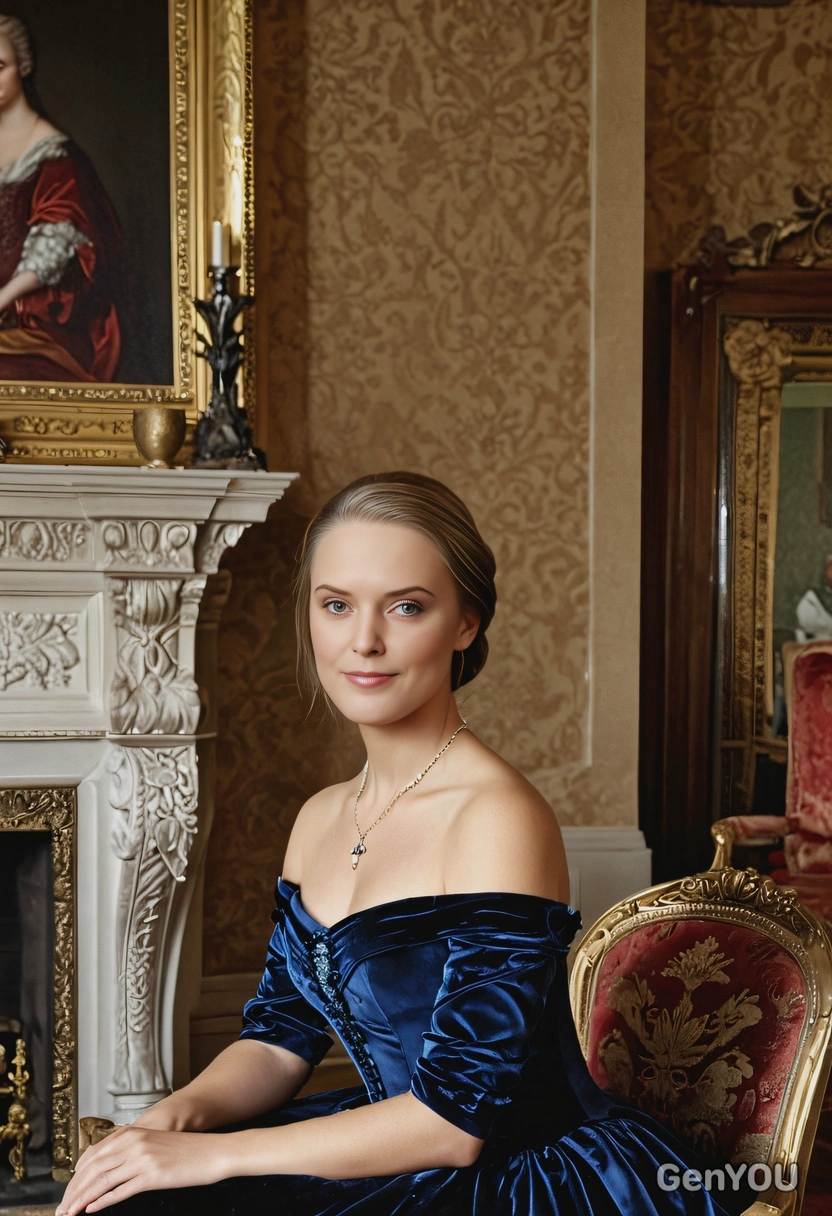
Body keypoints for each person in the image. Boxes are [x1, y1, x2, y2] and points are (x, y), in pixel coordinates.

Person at [58, 473, 748, 1216]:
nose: (364, 641)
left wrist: (213, 1154)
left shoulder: (498, 819)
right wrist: (164, 1125)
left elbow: (454, 1123)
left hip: (509, 1174)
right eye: (336, 605)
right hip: (388, 1143)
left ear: (466, 622)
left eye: (407, 607)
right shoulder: (320, 817)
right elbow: (277, 1041)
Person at [0, 14, 120, 383]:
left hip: (40, 321)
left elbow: (51, 247)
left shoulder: (55, 157)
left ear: (24, 67)